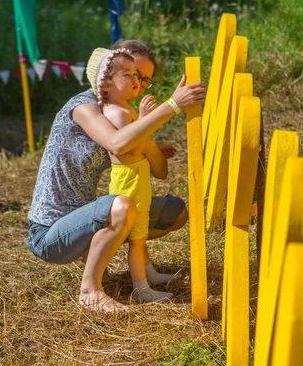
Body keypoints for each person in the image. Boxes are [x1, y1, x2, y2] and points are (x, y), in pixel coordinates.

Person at [27, 40, 206, 312]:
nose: (137, 84)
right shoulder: (84, 108)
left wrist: (146, 134)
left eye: (144, 79)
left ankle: (130, 264)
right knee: (122, 206)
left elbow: (159, 170)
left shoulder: (125, 113)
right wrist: (171, 105)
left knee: (174, 211)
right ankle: (90, 290)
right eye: (131, 74)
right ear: (108, 74)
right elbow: (117, 143)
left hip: (84, 216)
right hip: (51, 231)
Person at [98, 48, 174, 304]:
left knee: (140, 232)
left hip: (135, 175)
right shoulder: (118, 112)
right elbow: (131, 145)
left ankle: (148, 273)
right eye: (127, 75)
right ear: (106, 84)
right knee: (137, 237)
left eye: (136, 75)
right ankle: (141, 288)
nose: (135, 80)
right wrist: (144, 119)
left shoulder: (122, 108)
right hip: (129, 179)